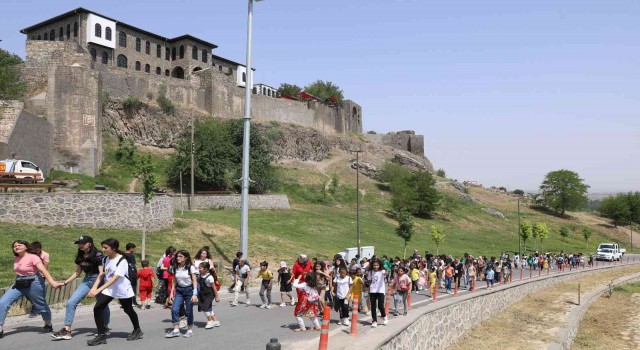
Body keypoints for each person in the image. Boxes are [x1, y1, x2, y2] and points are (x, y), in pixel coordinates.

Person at [51, 236, 111, 340]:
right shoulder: (80, 256)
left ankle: (104, 326)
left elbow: (101, 273)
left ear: (90, 244)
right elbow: (77, 272)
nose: (81, 245)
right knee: (71, 302)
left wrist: (95, 288)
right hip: (87, 281)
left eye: (83, 243)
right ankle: (67, 330)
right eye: (79, 243)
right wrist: (64, 283)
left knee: (102, 305)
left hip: (99, 280)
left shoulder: (98, 255)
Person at [0, 240, 62, 339]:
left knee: (40, 304)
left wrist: (52, 282)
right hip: (20, 282)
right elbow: (19, 271)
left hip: (34, 282)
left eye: (19, 245)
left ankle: (48, 324)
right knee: (3, 302)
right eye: (15, 246)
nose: (16, 247)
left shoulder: (33, 257)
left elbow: (43, 270)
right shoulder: (16, 257)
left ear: (26, 247)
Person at [86, 238, 142, 346]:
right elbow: (102, 274)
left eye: (106, 248)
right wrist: (94, 288)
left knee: (128, 309)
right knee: (98, 308)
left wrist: (97, 290)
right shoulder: (105, 259)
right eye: (103, 247)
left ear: (114, 248)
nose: (103, 249)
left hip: (122, 289)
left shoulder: (122, 260)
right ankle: (101, 335)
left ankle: (137, 329)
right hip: (110, 289)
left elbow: (115, 278)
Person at [165, 250, 198, 338]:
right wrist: (172, 292)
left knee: (188, 311)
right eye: (177, 256)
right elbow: (174, 281)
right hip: (179, 290)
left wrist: (194, 294)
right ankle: (176, 329)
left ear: (185, 258)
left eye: (180, 256)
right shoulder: (175, 267)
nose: (178, 258)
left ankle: (190, 330)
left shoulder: (190, 267)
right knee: (174, 309)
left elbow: (195, 281)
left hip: (189, 290)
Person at [28, 241, 50, 317]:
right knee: (29, 293)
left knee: (39, 294)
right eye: (34, 250)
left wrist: (43, 275)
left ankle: (34, 310)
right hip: (30, 275)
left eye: (37, 250)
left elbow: (45, 267)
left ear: (40, 249)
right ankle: (38, 308)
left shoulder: (45, 255)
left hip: (40, 276)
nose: (35, 252)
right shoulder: (30, 254)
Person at [197, 262, 221, 329]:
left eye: (200, 268)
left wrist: (217, 296)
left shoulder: (210, 277)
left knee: (205, 308)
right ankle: (216, 321)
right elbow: (197, 281)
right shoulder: (200, 275)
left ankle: (210, 321)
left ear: (205, 269)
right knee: (209, 308)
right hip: (202, 294)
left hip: (210, 295)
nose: (199, 269)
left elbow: (214, 288)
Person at [367, 260, 388, 328]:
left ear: (379, 265)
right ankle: (374, 321)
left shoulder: (382, 271)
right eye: (374, 265)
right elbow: (369, 281)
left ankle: (384, 316)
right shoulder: (370, 272)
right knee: (373, 306)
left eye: (377, 265)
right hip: (372, 290)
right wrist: (367, 288)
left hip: (380, 291)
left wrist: (385, 273)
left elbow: (385, 274)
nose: (375, 266)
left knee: (380, 306)